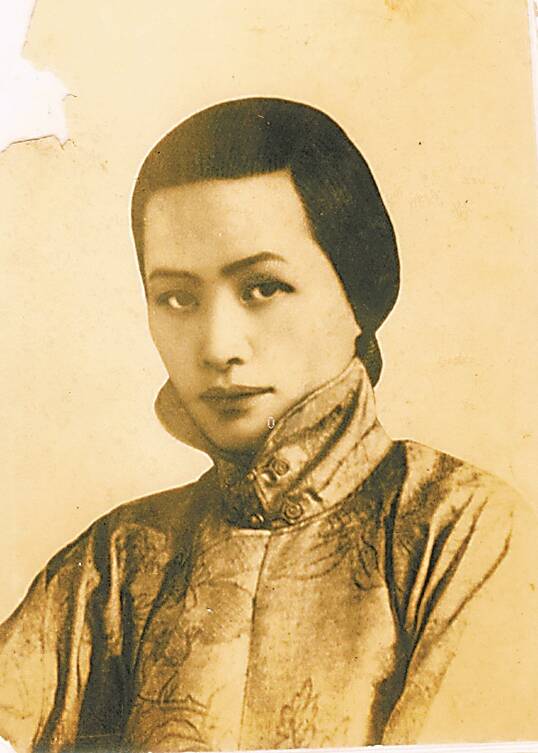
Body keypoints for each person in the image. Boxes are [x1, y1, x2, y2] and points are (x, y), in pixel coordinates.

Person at [1, 97, 537, 753]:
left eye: (262, 287)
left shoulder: (460, 532)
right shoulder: (114, 562)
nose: (217, 346)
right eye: (177, 297)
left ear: (357, 294)